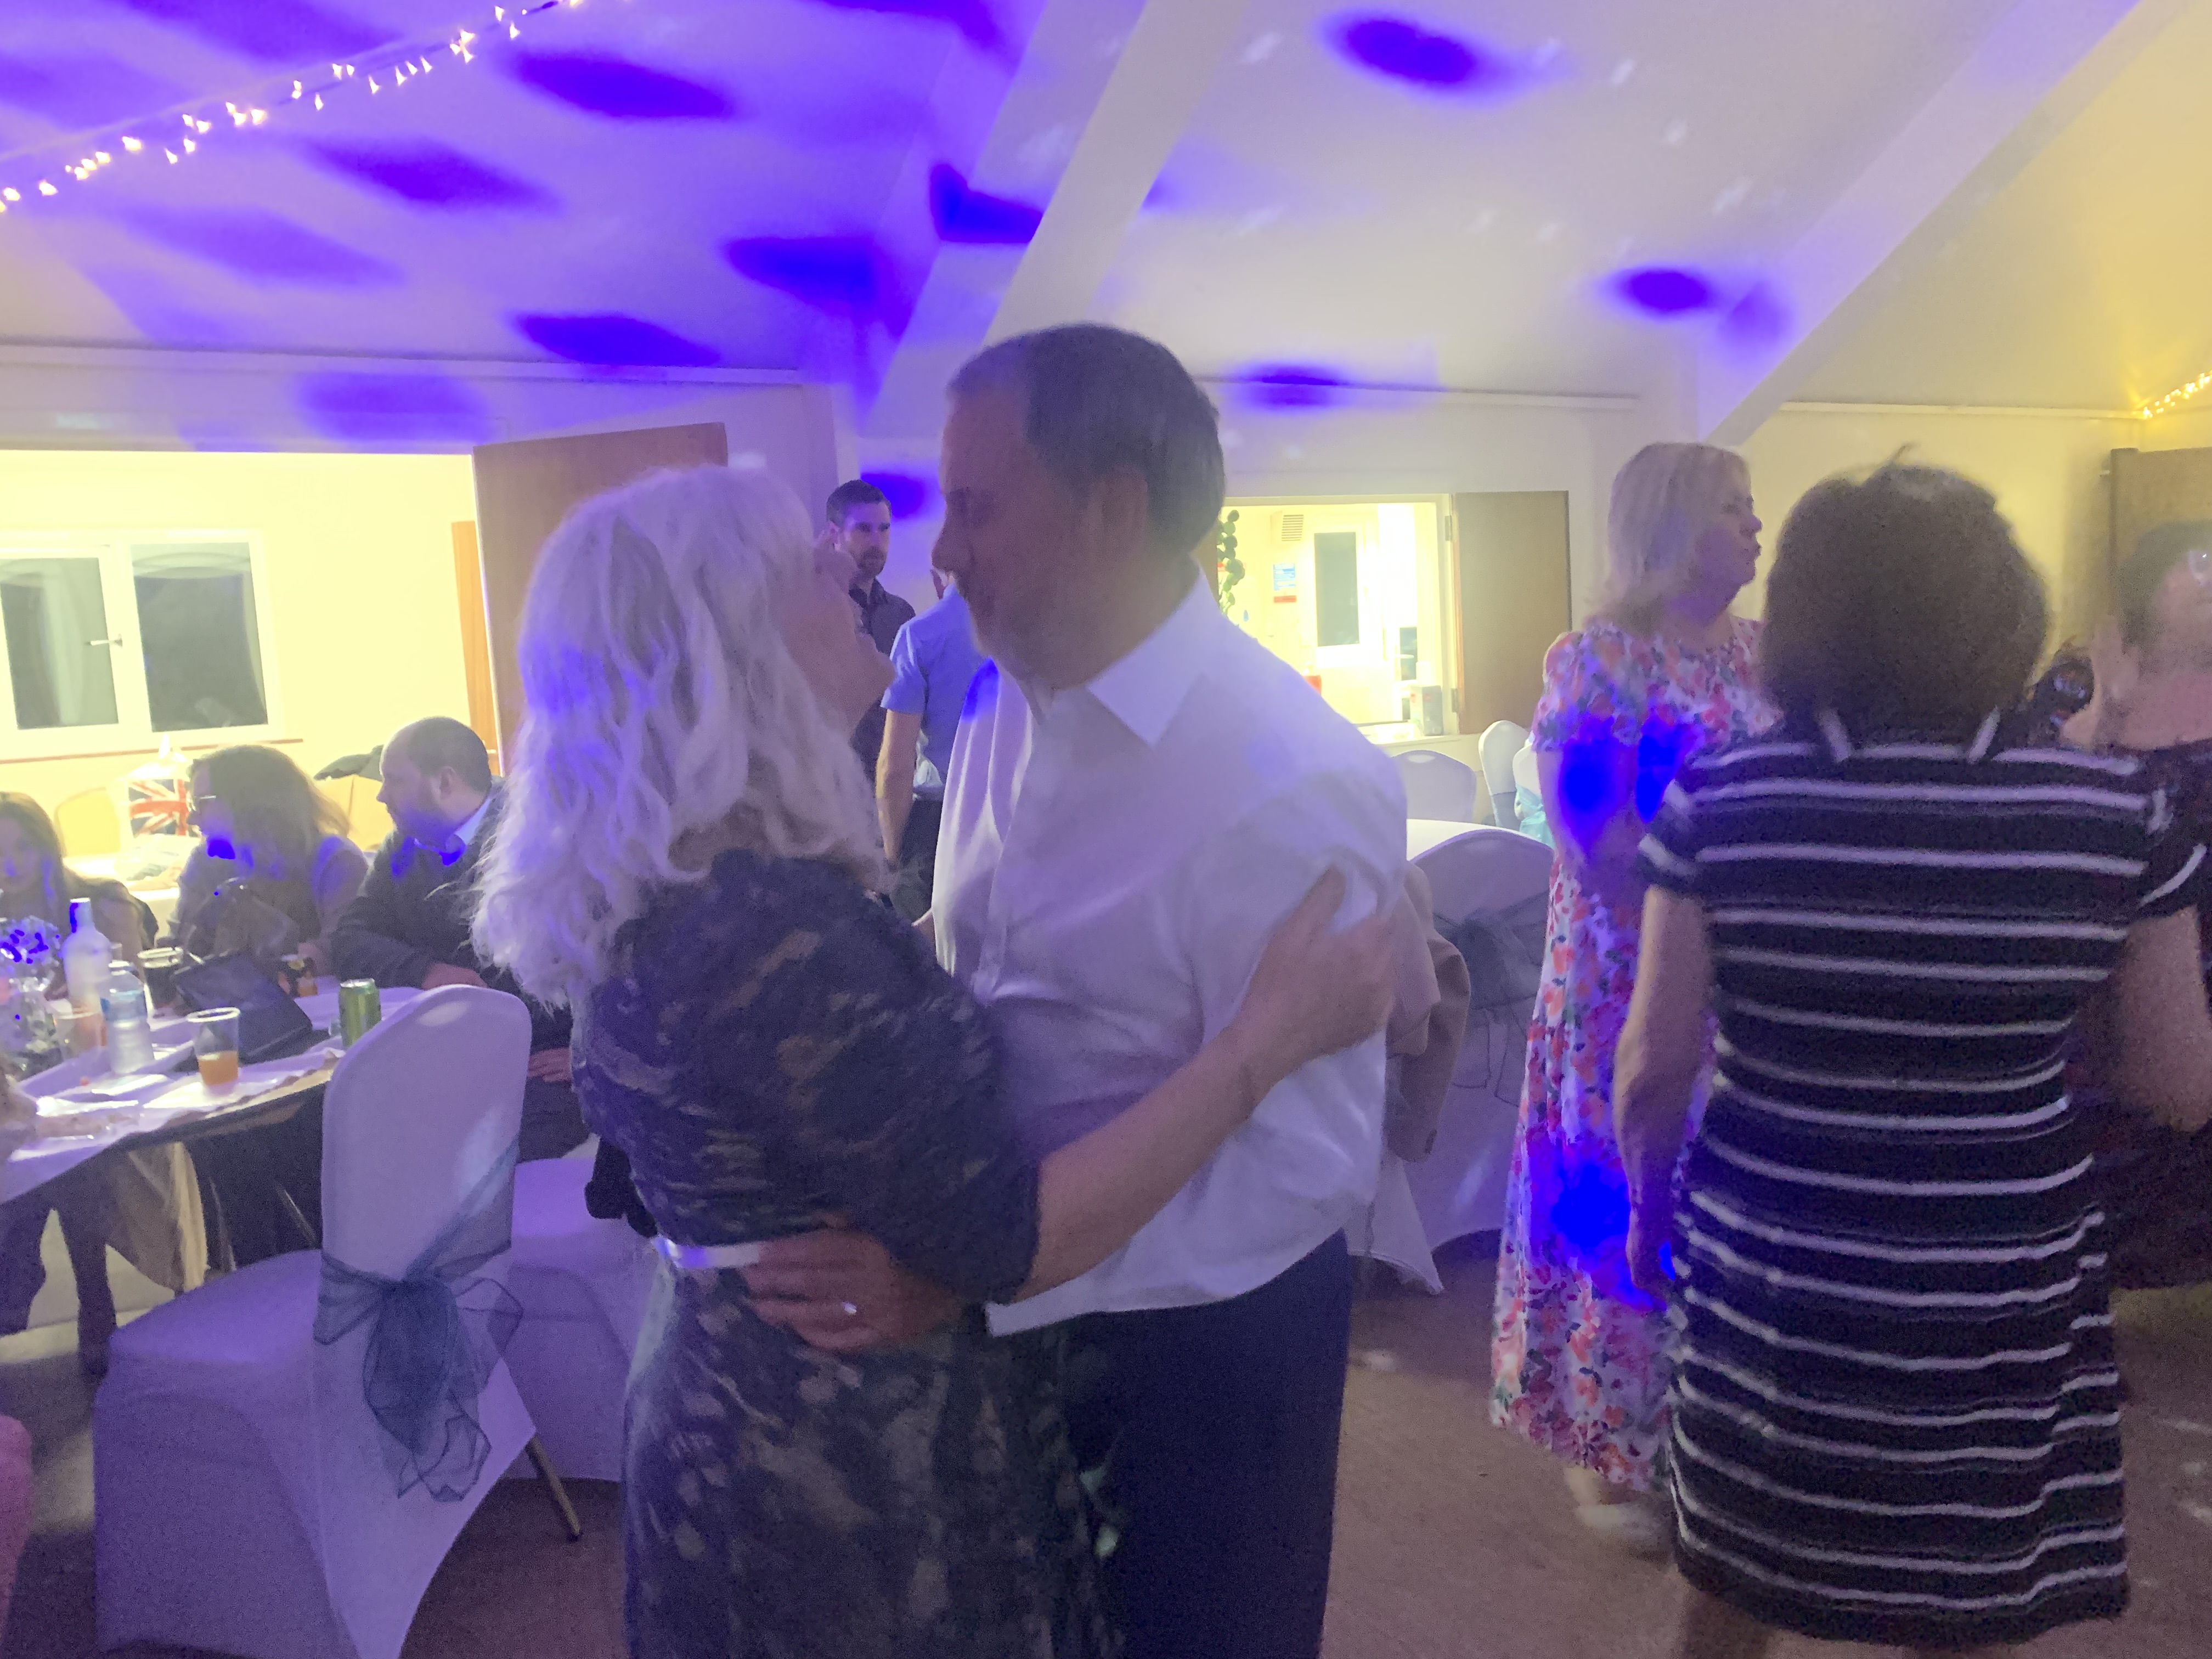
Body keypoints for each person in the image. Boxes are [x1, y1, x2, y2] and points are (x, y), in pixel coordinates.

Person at [470, 462, 1393, 1659]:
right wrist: (1266, 1039)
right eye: (811, 566)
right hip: (841, 1450)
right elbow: (1003, 1234)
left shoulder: (702, 878)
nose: (856, 569)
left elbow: (829, 1060)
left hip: (757, 1395)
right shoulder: (768, 925)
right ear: (735, 646)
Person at [740, 324, 1408, 1659]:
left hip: (1199, 1352)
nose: (941, 551)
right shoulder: (1001, 701)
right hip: (1006, 1307)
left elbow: (1301, 1168)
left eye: (977, 506)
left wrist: (986, 1282)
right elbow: (989, 988)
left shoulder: (1295, 774)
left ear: (1113, 511)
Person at [1618, 462, 2212, 1657]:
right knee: (1965, 1589)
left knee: (1729, 1574)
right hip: (1997, 1274)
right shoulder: (2115, 818)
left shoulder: (1719, 797)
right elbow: (2177, 1082)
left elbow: (1654, 1065)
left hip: (1776, 1261)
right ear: (2004, 615)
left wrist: (1645, 1213)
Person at [1490, 440, 1775, 1550]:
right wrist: (1695, 916)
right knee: (1619, 1203)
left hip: (1744, 977)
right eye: (1730, 507)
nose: (1755, 524)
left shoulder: (1764, 652)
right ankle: (1616, 1447)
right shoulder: (1600, 656)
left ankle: (1723, 1434)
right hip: (1624, 975)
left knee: (1725, 1200)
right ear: (1668, 524)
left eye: (1752, 506)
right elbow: (1589, 835)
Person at [2023, 522, 2212, 1288]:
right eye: (2201, 563)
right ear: (2149, 580)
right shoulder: (2073, 683)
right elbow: (2037, 811)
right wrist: (2108, 711)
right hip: (2101, 973)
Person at [0, 794, 201, 1374]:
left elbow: (133, 987)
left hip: (96, 1062)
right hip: (16, 1074)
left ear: (47, 847)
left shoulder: (95, 905)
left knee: (77, 1157)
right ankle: (55, 1295)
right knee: (37, 1156)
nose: (10, 864)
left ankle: (95, 1299)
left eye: (22, 848)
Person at [330, 718, 582, 1160]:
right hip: (442, 1055)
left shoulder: (543, 838)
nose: (381, 796)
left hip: (538, 1061)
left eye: (394, 780)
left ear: (445, 782)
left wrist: (591, 1050)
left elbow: (612, 951)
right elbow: (351, 937)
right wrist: (426, 971)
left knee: (446, 1151)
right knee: (334, 1125)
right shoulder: (404, 846)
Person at [168, 744, 369, 974]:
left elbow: (344, 950)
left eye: (201, 803)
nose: (192, 819)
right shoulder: (205, 862)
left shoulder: (334, 860)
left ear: (250, 801)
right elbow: (178, 948)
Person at [875, 574, 988, 919]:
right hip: (1015, 818)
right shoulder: (1032, 632)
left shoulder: (919, 636)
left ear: (938, 576)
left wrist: (892, 858)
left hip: (939, 824)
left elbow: (895, 766)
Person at [828, 478, 915, 776]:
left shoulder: (901, 614)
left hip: (894, 778)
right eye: (864, 529)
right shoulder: (816, 614)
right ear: (834, 534)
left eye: (884, 529)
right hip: (831, 780)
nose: (877, 541)